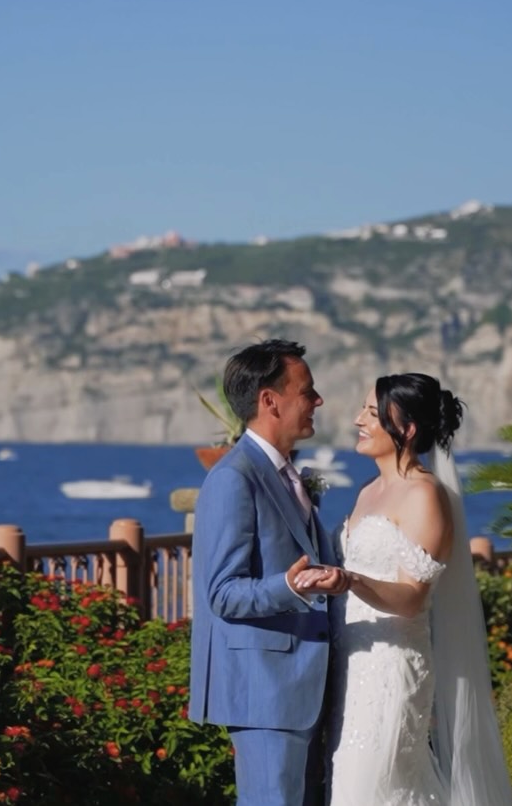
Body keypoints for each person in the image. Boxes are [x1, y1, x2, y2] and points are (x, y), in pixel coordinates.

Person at [294, 372, 512, 805]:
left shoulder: (424, 495)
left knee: (369, 789)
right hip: (350, 666)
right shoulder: (367, 491)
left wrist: (350, 581)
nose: (358, 419)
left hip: (391, 668)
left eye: (372, 412)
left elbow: (413, 597)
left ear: (407, 429)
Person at [189, 339, 348, 806]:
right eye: (308, 391)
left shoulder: (286, 474)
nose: (317, 401)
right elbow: (222, 593)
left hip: (303, 682)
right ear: (269, 401)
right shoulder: (233, 479)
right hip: (265, 689)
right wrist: (291, 587)